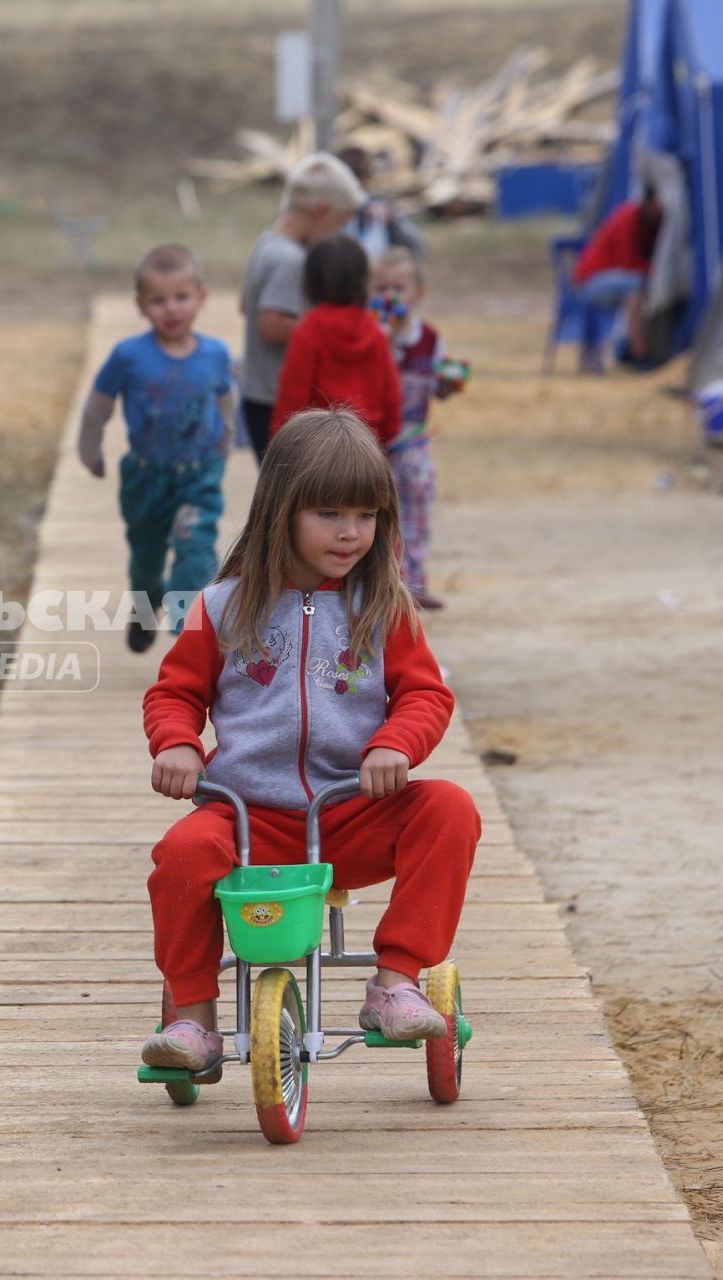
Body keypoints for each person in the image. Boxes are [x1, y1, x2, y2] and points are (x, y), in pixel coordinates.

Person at [138, 409, 481, 1075]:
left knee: (450, 809)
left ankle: (396, 980)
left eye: (366, 513)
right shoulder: (221, 607)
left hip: (353, 811)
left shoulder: (384, 608)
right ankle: (192, 1018)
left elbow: (425, 695)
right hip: (247, 821)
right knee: (180, 853)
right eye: (328, 512)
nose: (350, 532)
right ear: (281, 511)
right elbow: (175, 691)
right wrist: (176, 741)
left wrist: (394, 745)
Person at [76, 244, 233, 652]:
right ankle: (145, 610)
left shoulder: (215, 354)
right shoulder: (129, 356)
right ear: (141, 305)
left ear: (201, 297)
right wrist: (88, 446)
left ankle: (191, 636)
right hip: (146, 477)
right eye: (158, 300)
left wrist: (227, 436)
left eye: (181, 297)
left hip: (198, 475)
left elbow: (223, 399)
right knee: (146, 561)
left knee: (195, 550)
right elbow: (99, 405)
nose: (171, 308)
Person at [239, 153, 367, 461]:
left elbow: (245, 304)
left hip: (259, 393)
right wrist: (330, 325)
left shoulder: (267, 242)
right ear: (321, 212)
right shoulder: (291, 260)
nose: (340, 234)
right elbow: (270, 324)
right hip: (277, 399)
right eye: (340, 224)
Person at [372, 246, 463, 610]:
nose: (390, 296)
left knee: (418, 505)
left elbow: (438, 384)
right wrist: (386, 339)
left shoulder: (430, 338)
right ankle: (387, 585)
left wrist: (448, 385)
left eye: (399, 287)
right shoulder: (372, 335)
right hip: (376, 441)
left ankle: (415, 582)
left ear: (419, 293)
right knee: (379, 515)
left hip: (414, 440)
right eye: (382, 288)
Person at [270, 235, 402, 445]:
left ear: (309, 281)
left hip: (318, 449)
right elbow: (391, 394)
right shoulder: (375, 332)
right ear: (363, 281)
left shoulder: (309, 331)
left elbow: (292, 396)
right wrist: (388, 435)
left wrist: (280, 444)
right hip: (367, 446)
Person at [573, 187, 663, 368]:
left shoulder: (648, 223)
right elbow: (627, 262)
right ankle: (638, 351)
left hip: (609, 279)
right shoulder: (629, 218)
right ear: (650, 201)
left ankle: (636, 349)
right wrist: (658, 270)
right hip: (591, 280)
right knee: (636, 285)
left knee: (637, 290)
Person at [336, 146, 427, 262]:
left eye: (360, 180)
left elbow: (418, 250)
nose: (354, 188)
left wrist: (393, 222)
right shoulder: (328, 214)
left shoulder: (380, 207)